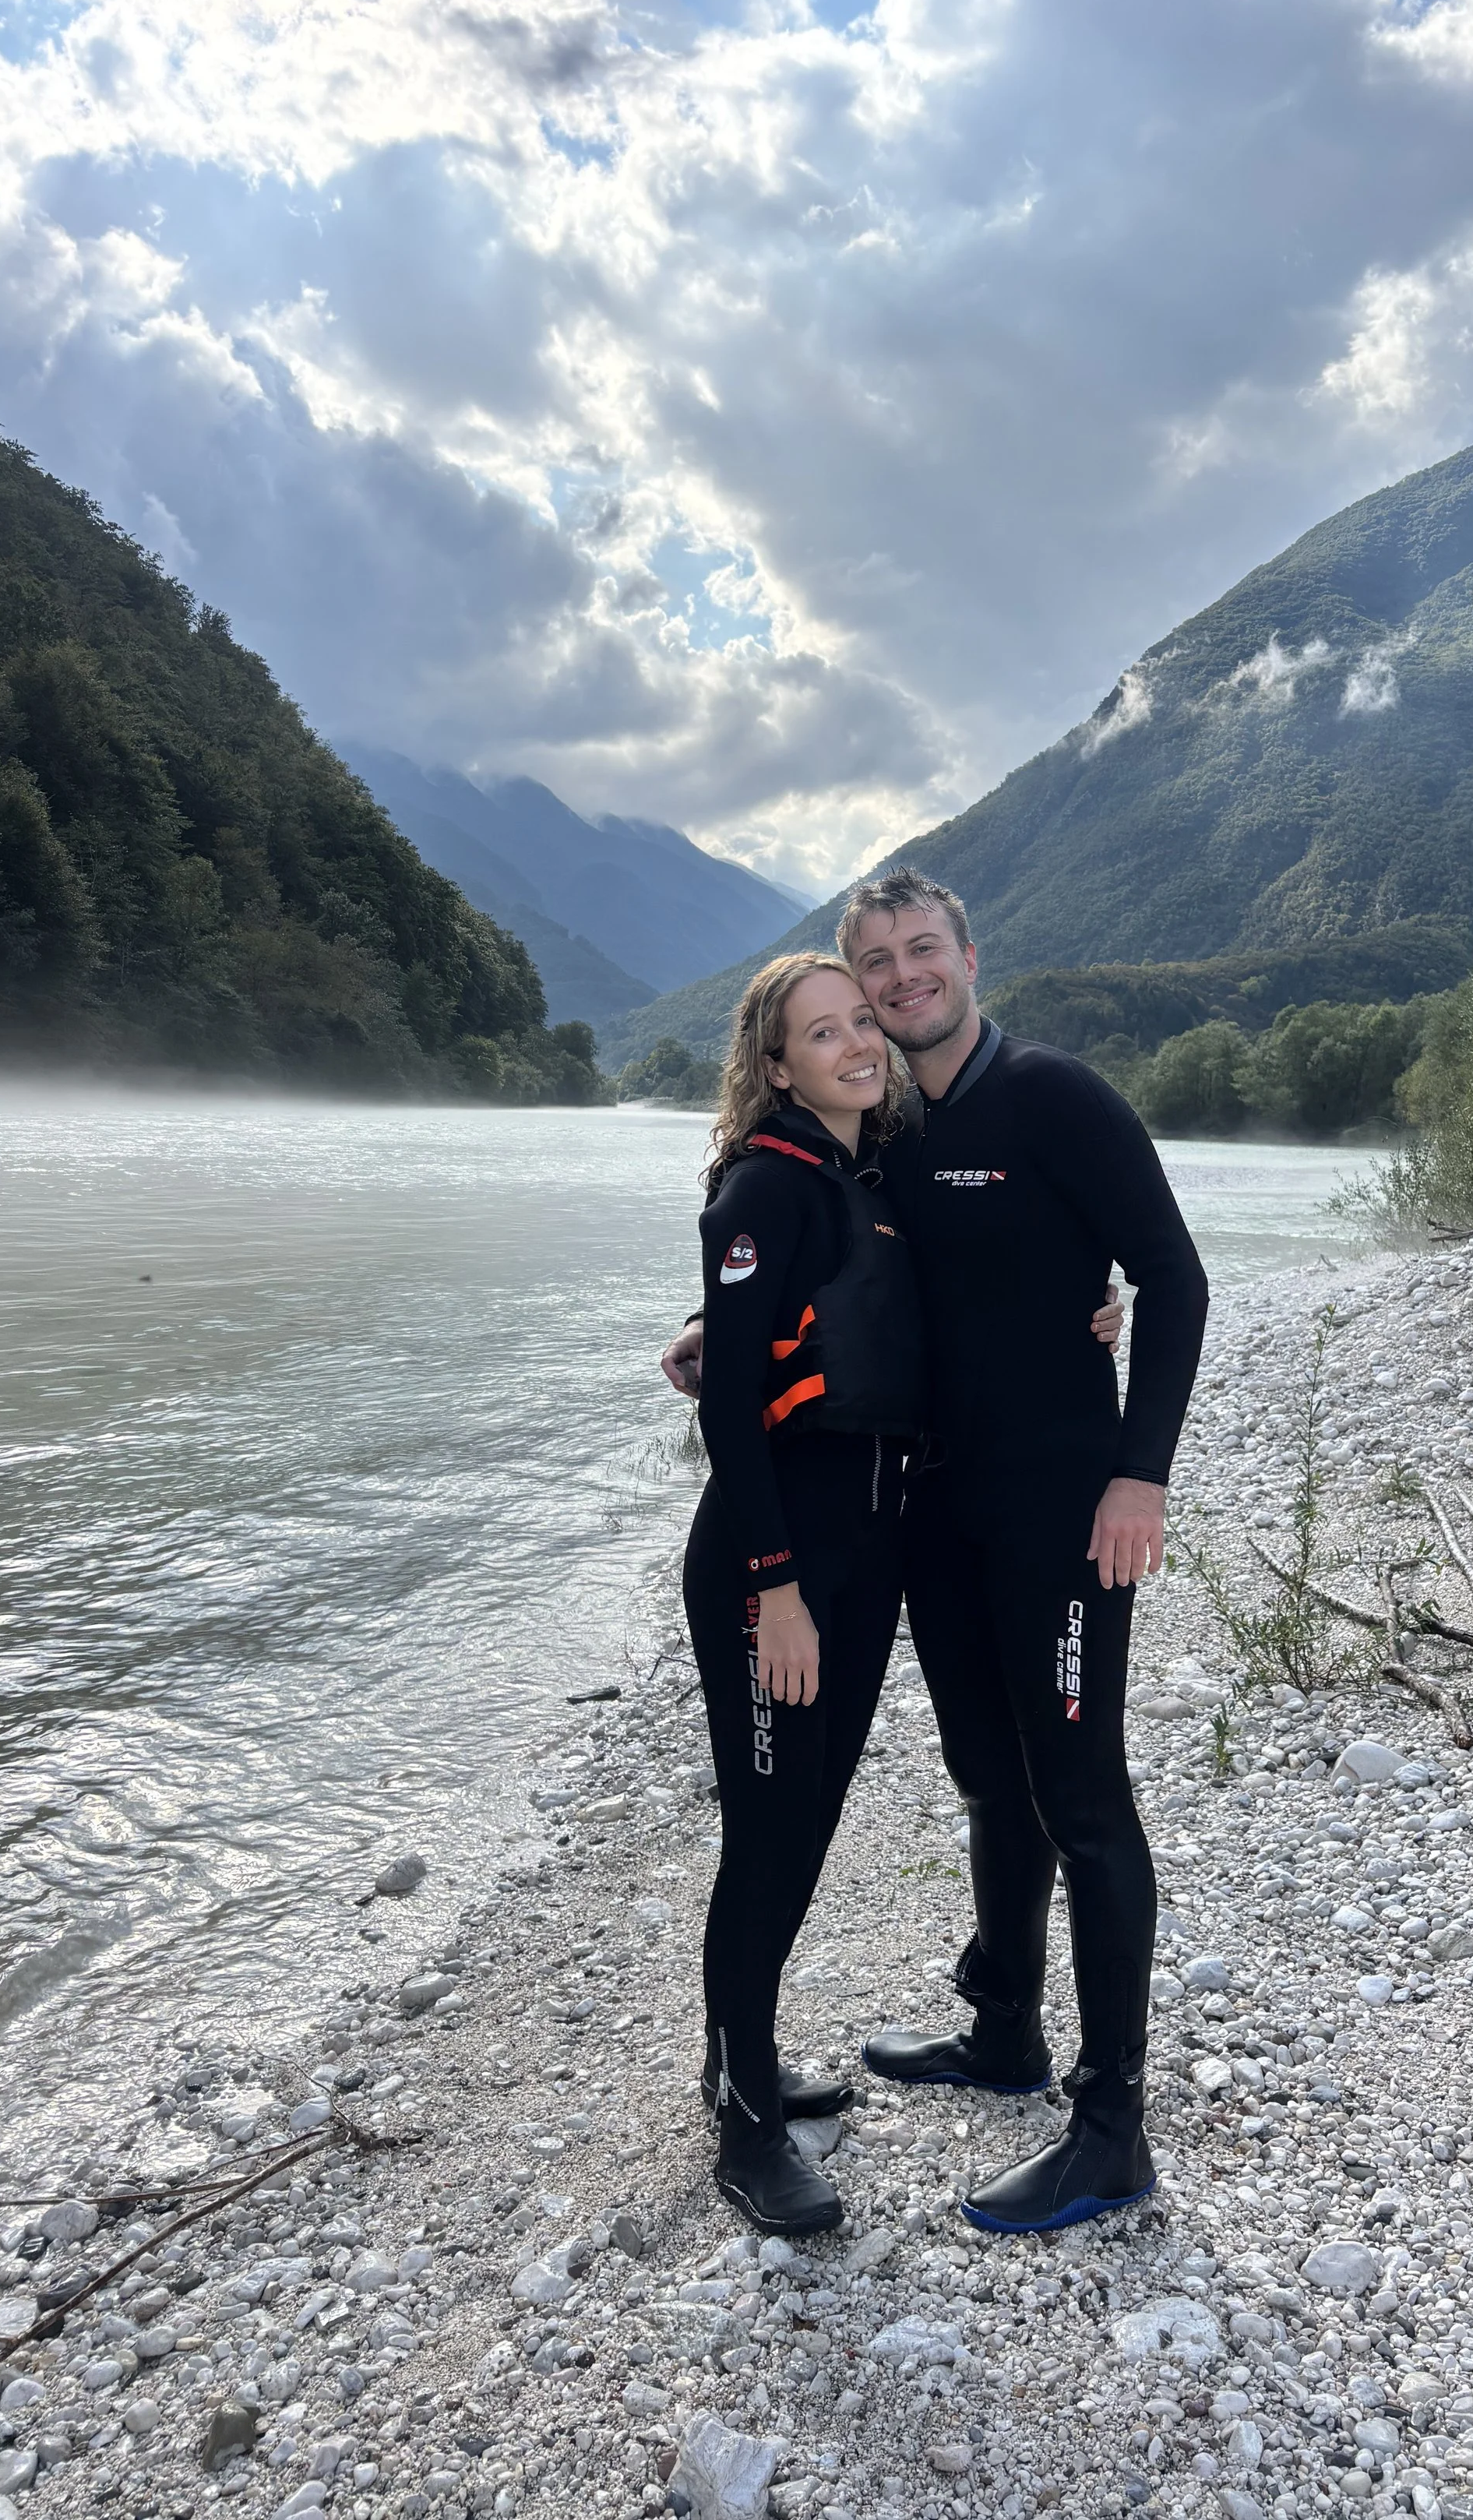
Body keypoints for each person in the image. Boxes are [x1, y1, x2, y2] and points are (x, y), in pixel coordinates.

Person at [666, 868, 1209, 2236]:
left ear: (969, 954)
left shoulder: (1057, 1099)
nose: (897, 985)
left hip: (1066, 1514)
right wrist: (715, 1335)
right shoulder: (887, 1124)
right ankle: (1006, 2030)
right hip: (935, 1522)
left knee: (1084, 1800)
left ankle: (1111, 2126)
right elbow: (836, 1272)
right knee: (987, 1775)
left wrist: (1141, 1470)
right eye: (868, 971)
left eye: (918, 955)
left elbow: (1175, 1278)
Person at [684, 951, 922, 2236]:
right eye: (821, 1034)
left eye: (861, 1025)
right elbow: (733, 1397)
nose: (854, 1046)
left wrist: (1091, 1312)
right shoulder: (766, 1185)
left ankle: (744, 2054)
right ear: (775, 1066)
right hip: (774, 1569)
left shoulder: (859, 1179)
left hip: (864, 1558)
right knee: (770, 1835)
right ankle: (741, 2121)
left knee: (807, 1823)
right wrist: (775, 1591)